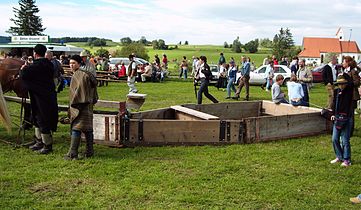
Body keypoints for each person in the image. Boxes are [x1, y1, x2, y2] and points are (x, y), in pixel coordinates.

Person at [20, 44, 58, 154]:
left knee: (42, 119)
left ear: (35, 53)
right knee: (36, 118)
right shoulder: (49, 64)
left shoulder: (35, 66)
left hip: (40, 97)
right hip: (47, 96)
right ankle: (39, 141)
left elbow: (24, 76)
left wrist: (23, 69)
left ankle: (47, 145)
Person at [64, 55, 98, 160]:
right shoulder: (86, 74)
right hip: (88, 105)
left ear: (79, 64)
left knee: (76, 128)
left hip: (80, 105)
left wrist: (74, 106)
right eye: (70, 63)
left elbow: (79, 93)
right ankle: (89, 151)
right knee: (88, 129)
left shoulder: (79, 75)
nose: (71, 65)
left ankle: (73, 153)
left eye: (74, 63)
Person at [329, 74, 354, 167]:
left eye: (343, 84)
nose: (341, 86)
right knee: (334, 139)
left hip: (347, 118)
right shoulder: (336, 92)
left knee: (345, 140)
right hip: (337, 118)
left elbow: (351, 83)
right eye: (339, 84)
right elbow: (334, 103)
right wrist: (332, 114)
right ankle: (339, 156)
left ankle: (347, 159)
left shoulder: (349, 91)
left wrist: (345, 72)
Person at [342, 56, 360, 137]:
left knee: (351, 114)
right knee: (346, 113)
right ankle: (346, 129)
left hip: (352, 96)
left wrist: (349, 83)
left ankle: (350, 132)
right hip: (346, 95)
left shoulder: (353, 71)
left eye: (344, 62)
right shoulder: (344, 71)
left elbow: (357, 82)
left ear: (348, 63)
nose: (342, 63)